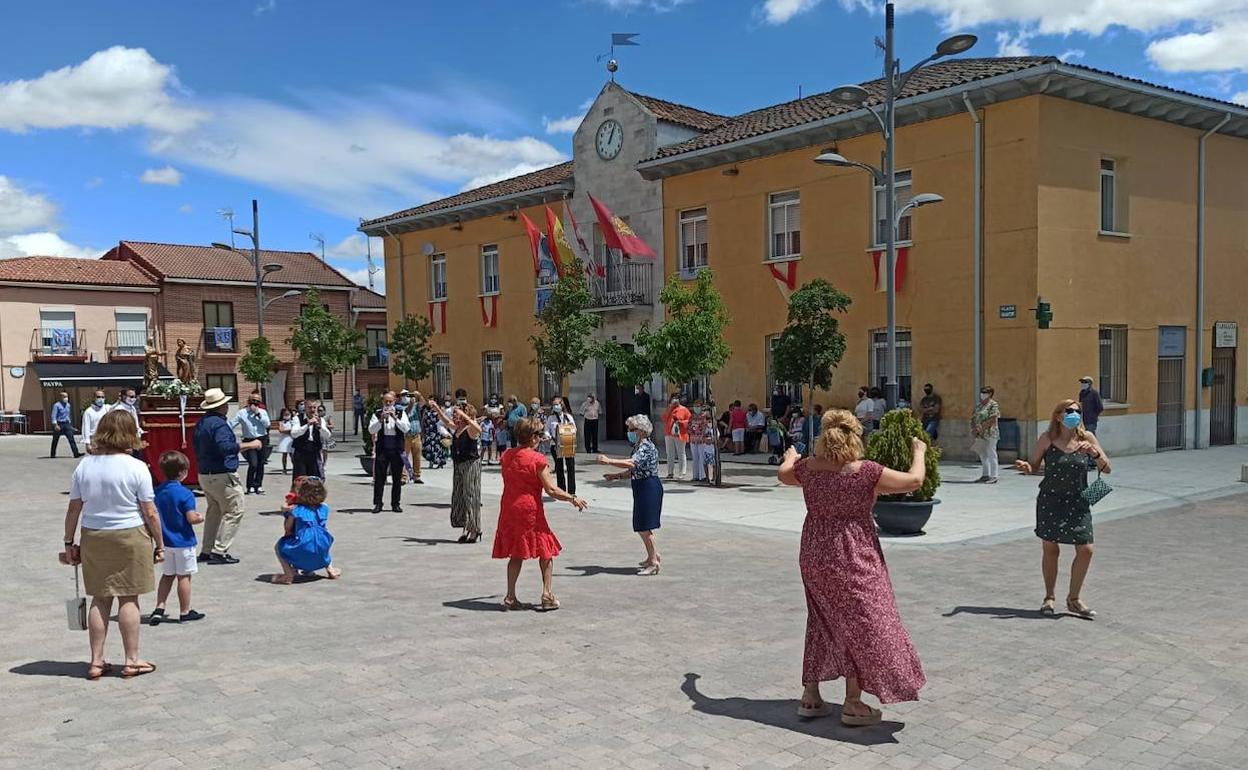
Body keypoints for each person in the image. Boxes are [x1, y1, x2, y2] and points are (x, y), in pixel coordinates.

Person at [777, 409, 929, 725]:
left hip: (815, 554)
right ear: (854, 437)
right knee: (863, 624)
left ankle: (811, 696)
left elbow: (783, 474)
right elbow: (914, 480)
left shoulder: (808, 469)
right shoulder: (865, 472)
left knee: (821, 620)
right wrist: (919, 451)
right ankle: (852, 703)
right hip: (854, 556)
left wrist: (791, 455)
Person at [60, 409, 163, 679]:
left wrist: (69, 542)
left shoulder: (85, 465)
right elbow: (150, 511)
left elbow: (73, 509)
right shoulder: (137, 467)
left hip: (94, 534)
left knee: (100, 598)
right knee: (129, 597)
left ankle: (96, 661)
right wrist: (160, 542)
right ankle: (131, 660)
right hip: (130, 533)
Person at [1015, 400, 1111, 619]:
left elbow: (1107, 469)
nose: (1074, 415)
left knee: (1086, 549)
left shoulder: (1087, 438)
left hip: (1079, 501)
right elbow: (1034, 467)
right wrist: (1025, 467)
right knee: (1051, 549)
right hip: (1051, 500)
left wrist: (1095, 454)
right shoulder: (1047, 439)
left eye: (1077, 411)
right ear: (1058, 416)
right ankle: (1049, 597)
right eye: (1069, 411)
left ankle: (1074, 599)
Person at [493, 417, 587, 611]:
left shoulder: (507, 455)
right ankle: (547, 593)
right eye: (539, 435)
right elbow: (552, 490)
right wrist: (572, 498)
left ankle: (510, 596)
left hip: (509, 507)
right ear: (533, 438)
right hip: (529, 509)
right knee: (546, 550)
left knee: (516, 552)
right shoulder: (538, 460)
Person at [193, 388, 260, 565]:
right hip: (221, 474)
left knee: (214, 511)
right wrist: (250, 444)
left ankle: (207, 550)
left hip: (205, 474)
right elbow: (225, 447)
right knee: (235, 510)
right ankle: (219, 550)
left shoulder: (202, 423)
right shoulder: (219, 425)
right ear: (222, 406)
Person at [599, 415, 664, 575]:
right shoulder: (639, 446)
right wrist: (616, 476)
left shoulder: (646, 447)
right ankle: (651, 556)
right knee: (641, 525)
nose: (629, 432)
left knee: (644, 526)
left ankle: (654, 561)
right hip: (641, 485)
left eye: (631, 429)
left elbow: (632, 463)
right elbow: (633, 470)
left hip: (649, 486)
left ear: (641, 431)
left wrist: (609, 461)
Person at [149, 451, 205, 626]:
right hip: (183, 541)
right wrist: (199, 517)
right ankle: (184, 611)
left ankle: (160, 607)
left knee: (167, 575)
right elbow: (190, 517)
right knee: (184, 577)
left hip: (165, 542)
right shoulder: (185, 494)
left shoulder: (158, 492)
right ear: (183, 472)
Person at [272, 476, 340, 584]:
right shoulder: (324, 508)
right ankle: (330, 569)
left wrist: (287, 512)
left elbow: (287, 528)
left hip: (302, 548)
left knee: (280, 546)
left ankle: (288, 574)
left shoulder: (296, 509)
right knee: (322, 539)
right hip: (321, 555)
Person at [437, 403, 483, 542]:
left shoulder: (470, 429)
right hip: (458, 464)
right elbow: (445, 421)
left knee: (471, 496)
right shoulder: (458, 428)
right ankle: (466, 526)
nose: (454, 415)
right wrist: (437, 409)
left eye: (457, 413)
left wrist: (465, 416)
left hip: (470, 465)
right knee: (460, 496)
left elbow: (478, 429)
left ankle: (475, 528)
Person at [368, 391, 409, 513]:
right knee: (380, 478)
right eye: (386, 401)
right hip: (383, 448)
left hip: (396, 449)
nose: (388, 404)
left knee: (397, 478)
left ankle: (395, 503)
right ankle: (378, 503)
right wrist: (381, 420)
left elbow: (406, 428)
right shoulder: (377, 413)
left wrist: (395, 418)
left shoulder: (401, 413)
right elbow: (371, 430)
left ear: (394, 402)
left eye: (390, 401)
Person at [230, 393, 272, 495]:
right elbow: (231, 423)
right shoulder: (242, 413)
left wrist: (258, 414)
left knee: (261, 464)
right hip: (249, 440)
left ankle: (258, 485)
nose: (255, 402)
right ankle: (250, 486)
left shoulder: (262, 412)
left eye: (257, 400)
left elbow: (267, 424)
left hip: (262, 439)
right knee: (253, 464)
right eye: (253, 400)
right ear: (249, 401)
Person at [289, 399, 331, 485]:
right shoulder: (297, 418)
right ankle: (298, 496)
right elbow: (294, 433)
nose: (312, 410)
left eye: (314, 407)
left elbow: (327, 435)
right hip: (301, 451)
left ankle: (312, 497)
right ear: (305, 408)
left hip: (314, 451)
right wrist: (307, 425)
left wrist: (320, 427)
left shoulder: (320, 419)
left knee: (314, 478)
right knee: (300, 478)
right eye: (310, 407)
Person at [545, 396, 577, 494]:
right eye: (554, 405)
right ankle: (561, 490)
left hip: (567, 445)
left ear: (561, 405)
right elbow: (546, 430)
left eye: (557, 404)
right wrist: (549, 436)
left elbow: (574, 429)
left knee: (570, 467)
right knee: (559, 468)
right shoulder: (551, 418)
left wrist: (569, 432)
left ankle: (571, 492)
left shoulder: (568, 417)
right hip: (555, 445)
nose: (555, 406)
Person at [971, 386, 1001, 484]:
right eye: (982, 392)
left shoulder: (993, 405)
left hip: (991, 433)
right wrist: (974, 428)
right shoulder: (979, 406)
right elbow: (974, 417)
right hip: (980, 435)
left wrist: (981, 428)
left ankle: (994, 476)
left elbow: (992, 418)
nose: (982, 394)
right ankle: (985, 474)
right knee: (982, 454)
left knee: (991, 453)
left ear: (990, 394)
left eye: (985, 392)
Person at [661, 394, 691, 480]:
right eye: (673, 399)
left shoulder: (684, 409)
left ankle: (682, 472)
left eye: (676, 399)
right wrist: (670, 408)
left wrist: (681, 422)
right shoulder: (669, 408)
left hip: (680, 434)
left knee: (681, 453)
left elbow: (689, 421)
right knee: (669, 454)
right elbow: (664, 418)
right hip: (668, 433)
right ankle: (670, 472)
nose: (674, 401)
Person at [400, 390, 424, 485]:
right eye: (404, 395)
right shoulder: (399, 406)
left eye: (408, 395)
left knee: (417, 457)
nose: (406, 396)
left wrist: (419, 395)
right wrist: (411, 404)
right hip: (406, 436)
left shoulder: (416, 406)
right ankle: (403, 477)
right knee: (404, 457)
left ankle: (417, 476)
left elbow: (423, 403)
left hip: (416, 435)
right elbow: (406, 412)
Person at [50, 391, 83, 458]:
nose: (66, 398)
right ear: (60, 397)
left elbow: (68, 416)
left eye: (67, 397)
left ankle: (76, 453)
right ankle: (52, 454)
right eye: (64, 397)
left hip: (66, 424)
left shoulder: (68, 405)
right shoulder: (56, 405)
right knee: (55, 440)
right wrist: (55, 425)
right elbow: (53, 415)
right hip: (59, 424)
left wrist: (71, 426)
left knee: (71, 439)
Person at [689, 403, 715, 483]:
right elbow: (688, 426)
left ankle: (703, 476)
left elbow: (706, 428)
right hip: (693, 439)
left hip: (702, 440)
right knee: (695, 458)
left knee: (702, 458)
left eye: (699, 406)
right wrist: (692, 430)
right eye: (695, 406)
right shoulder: (692, 417)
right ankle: (695, 476)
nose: (697, 408)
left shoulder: (705, 418)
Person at [421, 398, 448, 469]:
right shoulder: (426, 411)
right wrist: (423, 432)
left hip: (437, 432)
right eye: (429, 400)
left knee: (438, 448)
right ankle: (431, 462)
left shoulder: (439, 411)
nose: (430, 402)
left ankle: (440, 463)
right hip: (429, 432)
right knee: (429, 448)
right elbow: (423, 421)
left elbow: (444, 421)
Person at [274, 408, 294, 474]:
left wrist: (290, 431)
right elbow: (281, 430)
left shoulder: (293, 421)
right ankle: (284, 468)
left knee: (292, 455)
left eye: (288, 414)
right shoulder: (281, 422)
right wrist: (289, 431)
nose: (286, 415)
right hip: (284, 439)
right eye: (285, 414)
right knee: (284, 455)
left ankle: (295, 467)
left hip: (291, 439)